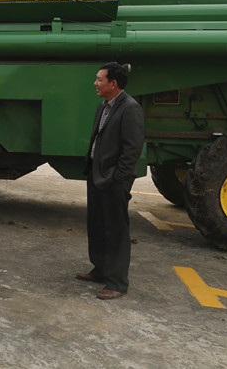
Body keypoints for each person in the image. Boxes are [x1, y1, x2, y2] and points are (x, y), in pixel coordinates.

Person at [77, 62, 145, 300]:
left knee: (115, 230)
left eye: (100, 79)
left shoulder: (130, 108)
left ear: (113, 84)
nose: (95, 83)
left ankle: (117, 282)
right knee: (97, 225)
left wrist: (119, 179)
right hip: (97, 175)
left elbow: (132, 149)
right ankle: (100, 269)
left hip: (113, 180)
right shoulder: (103, 106)